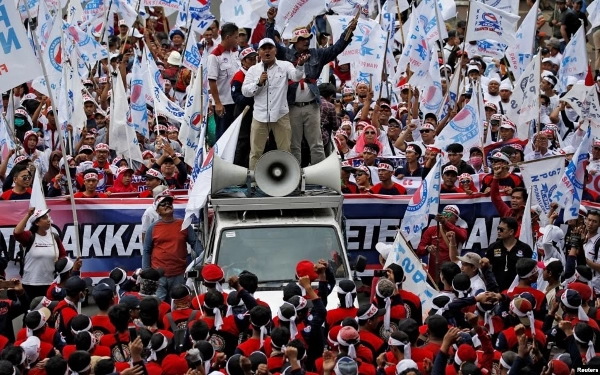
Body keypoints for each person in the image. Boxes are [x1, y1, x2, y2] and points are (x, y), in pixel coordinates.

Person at [283, 22, 357, 166]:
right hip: (292, 106)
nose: (306, 41)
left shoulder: (316, 53)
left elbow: (336, 48)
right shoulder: (284, 54)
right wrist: (270, 23)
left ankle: (319, 175)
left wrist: (348, 32)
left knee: (316, 143)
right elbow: (268, 46)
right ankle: (295, 175)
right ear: (295, 42)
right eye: (302, 39)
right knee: (294, 144)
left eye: (308, 38)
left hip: (312, 106)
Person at [241, 38, 307, 170]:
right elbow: (245, 92)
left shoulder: (285, 65)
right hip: (260, 115)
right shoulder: (253, 70)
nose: (267, 51)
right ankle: (253, 181)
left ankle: (287, 180)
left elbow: (296, 77)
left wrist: (300, 65)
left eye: (269, 48)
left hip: (280, 114)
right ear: (259, 52)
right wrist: (258, 83)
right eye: (263, 49)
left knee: (285, 150)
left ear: (275, 50)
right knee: (255, 152)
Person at [143, 192, 203, 301]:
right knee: (158, 306)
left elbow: (195, 243)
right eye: (163, 204)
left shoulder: (184, 224)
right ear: (157, 211)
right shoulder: (153, 228)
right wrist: (147, 272)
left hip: (179, 274)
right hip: (158, 276)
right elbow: (146, 250)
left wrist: (203, 259)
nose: (167, 205)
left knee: (178, 304)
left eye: (169, 203)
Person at [13, 208, 66, 299]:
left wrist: (60, 263)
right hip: (30, 283)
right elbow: (17, 233)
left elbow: (63, 256)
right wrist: (28, 215)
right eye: (45, 218)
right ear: (37, 223)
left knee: (48, 311)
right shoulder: (29, 236)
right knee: (31, 311)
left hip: (50, 283)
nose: (48, 220)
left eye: (48, 217)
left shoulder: (55, 237)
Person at [207, 23, 241, 140]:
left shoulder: (236, 53)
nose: (238, 40)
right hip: (224, 104)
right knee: (223, 136)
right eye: (236, 37)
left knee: (236, 136)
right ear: (228, 37)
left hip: (236, 102)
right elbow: (212, 81)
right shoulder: (215, 56)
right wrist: (217, 103)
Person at [417, 205, 468, 279]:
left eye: (449, 214)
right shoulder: (431, 230)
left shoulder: (461, 230)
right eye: (444, 213)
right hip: (434, 274)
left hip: (452, 273)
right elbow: (419, 249)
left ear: (456, 218)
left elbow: (463, 236)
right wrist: (427, 248)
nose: (445, 216)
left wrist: (445, 222)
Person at [484, 217, 533, 291]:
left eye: (501, 229)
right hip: (497, 290)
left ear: (511, 232)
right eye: (498, 228)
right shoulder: (493, 247)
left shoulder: (525, 248)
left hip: (517, 289)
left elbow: (530, 270)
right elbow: (487, 269)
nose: (498, 231)